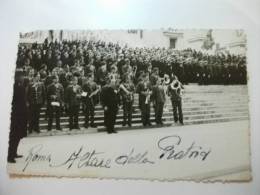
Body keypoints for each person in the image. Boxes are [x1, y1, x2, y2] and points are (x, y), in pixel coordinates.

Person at [8, 69, 28, 163]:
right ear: (17, 77)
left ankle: (14, 153)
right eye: (21, 76)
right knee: (14, 136)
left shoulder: (21, 87)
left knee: (18, 135)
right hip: (16, 116)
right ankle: (10, 156)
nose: (23, 78)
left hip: (21, 115)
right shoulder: (14, 87)